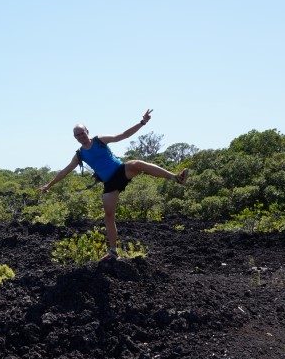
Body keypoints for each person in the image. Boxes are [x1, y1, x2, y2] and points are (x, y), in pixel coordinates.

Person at [39, 109, 188, 258]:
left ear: (87, 131)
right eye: (77, 135)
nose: (80, 137)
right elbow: (65, 171)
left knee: (137, 164)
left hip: (121, 171)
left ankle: (176, 177)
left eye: (82, 133)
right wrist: (48, 185)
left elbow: (123, 135)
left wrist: (142, 122)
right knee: (108, 215)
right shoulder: (80, 155)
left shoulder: (99, 140)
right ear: (75, 137)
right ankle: (113, 251)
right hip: (109, 183)